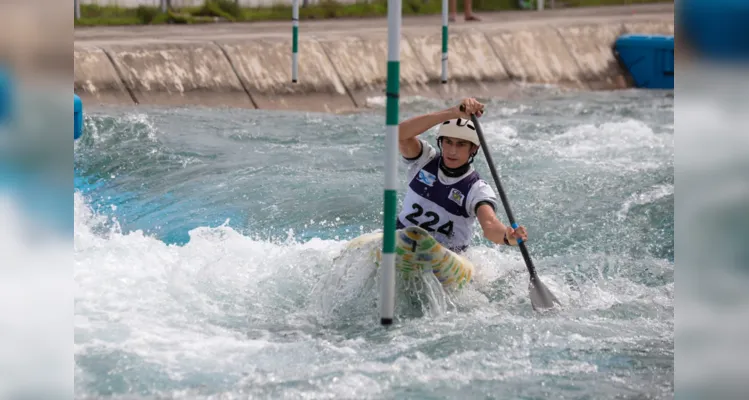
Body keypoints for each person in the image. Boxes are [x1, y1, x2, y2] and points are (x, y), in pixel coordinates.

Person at [396, 98, 527, 253]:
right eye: (448, 142)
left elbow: (490, 225)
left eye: (461, 144)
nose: (452, 151)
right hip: (401, 240)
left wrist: (507, 236)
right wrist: (451, 113)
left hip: (446, 255)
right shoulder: (424, 160)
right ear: (441, 142)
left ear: (473, 149)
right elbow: (399, 134)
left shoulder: (477, 189)